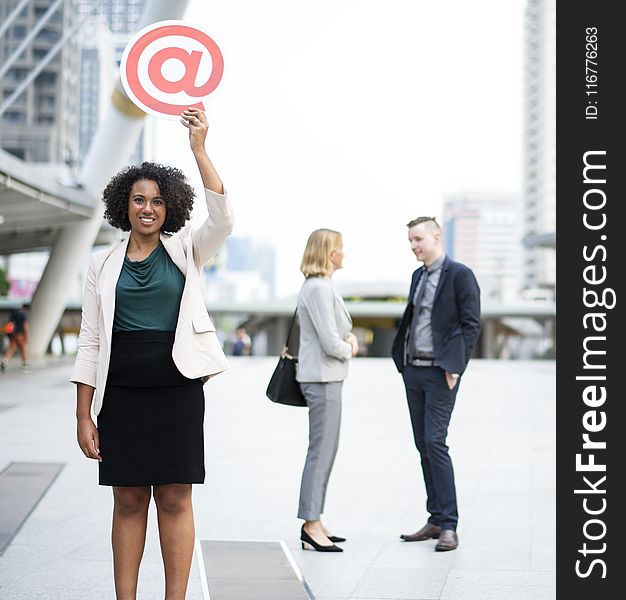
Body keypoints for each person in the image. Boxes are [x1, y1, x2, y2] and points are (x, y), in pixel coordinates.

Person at [70, 108, 233, 600]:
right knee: (128, 500)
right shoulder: (102, 263)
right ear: (125, 205)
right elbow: (90, 339)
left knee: (177, 499)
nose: (147, 208)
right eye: (139, 200)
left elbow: (224, 216)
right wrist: (84, 414)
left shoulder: (187, 249)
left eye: (157, 201)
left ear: (169, 208)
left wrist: (199, 149)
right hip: (122, 394)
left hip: (178, 390)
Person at [391, 216, 480, 552]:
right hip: (413, 370)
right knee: (422, 445)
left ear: (436, 237)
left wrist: (456, 365)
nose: (414, 246)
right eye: (410, 241)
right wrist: (401, 360)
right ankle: (435, 517)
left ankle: (450, 526)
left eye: (418, 240)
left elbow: (471, 325)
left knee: (435, 442)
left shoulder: (460, 275)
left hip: (441, 372)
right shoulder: (418, 275)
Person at [296, 228, 359, 553]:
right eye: (340, 247)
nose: (344, 253)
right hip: (322, 378)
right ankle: (310, 523)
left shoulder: (321, 286)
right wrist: (351, 346)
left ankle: (315, 520)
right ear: (328, 252)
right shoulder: (319, 288)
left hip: (326, 378)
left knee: (325, 451)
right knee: (320, 452)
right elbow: (331, 341)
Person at [1, 303, 30, 372]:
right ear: (26, 308)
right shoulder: (23, 315)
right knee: (23, 347)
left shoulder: (14, 313)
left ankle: (5, 360)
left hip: (12, 333)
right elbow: (25, 325)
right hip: (19, 333)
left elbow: (10, 322)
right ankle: (24, 362)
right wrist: (27, 335)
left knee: (12, 347)